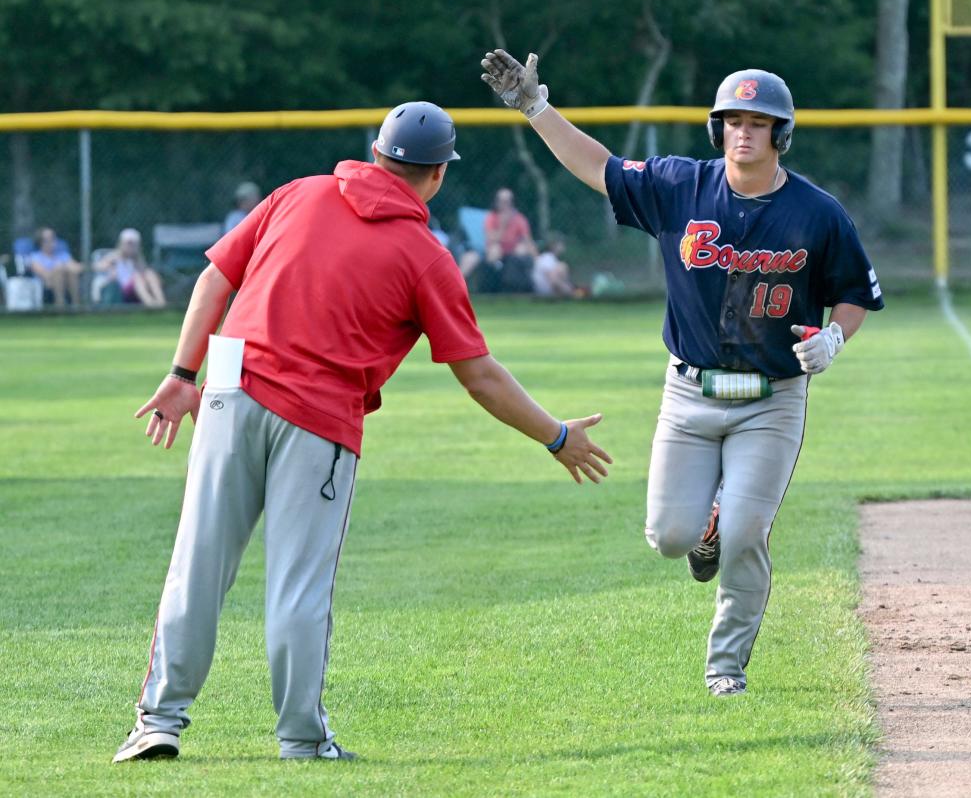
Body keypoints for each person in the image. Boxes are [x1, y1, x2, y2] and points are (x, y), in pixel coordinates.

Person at [112, 101, 611, 764]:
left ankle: (157, 722)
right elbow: (479, 376)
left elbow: (215, 277)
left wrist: (182, 373)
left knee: (197, 565)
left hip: (228, 393)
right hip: (317, 419)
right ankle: (300, 740)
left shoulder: (297, 194)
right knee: (297, 585)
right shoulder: (424, 257)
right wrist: (554, 436)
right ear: (436, 177)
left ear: (374, 153)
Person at [482, 51, 882, 697]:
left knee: (749, 532)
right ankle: (705, 528)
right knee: (668, 537)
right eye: (732, 121)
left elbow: (853, 291)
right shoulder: (679, 186)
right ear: (715, 128)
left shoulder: (818, 212)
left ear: (781, 133)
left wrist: (835, 335)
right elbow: (599, 167)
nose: (743, 133)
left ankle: (725, 666)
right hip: (688, 394)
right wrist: (535, 109)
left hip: (771, 400)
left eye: (758, 122)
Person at [475, 187, 538, 293]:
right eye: (502, 201)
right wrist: (503, 225)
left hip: (512, 250)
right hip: (496, 249)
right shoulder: (491, 217)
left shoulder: (519, 218)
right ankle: (491, 288)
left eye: (507, 201)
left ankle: (517, 287)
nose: (504, 205)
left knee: (521, 249)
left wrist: (536, 257)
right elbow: (491, 238)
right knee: (495, 250)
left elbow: (527, 239)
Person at [95, 228, 167, 308]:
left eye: (133, 244)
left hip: (139, 289)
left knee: (150, 273)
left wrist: (137, 260)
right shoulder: (114, 257)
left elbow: (144, 273)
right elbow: (99, 266)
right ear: (121, 244)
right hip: (122, 290)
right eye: (128, 244)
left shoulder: (138, 259)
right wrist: (109, 269)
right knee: (137, 278)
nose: (130, 247)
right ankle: (150, 304)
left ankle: (161, 303)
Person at [27, 227, 83, 308]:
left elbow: (76, 268)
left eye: (53, 238)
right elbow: (44, 274)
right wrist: (60, 268)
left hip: (67, 280)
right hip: (47, 282)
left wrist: (96, 265)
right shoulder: (35, 257)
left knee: (71, 272)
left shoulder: (63, 255)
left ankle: (76, 305)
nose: (53, 241)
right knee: (59, 271)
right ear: (41, 242)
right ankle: (60, 305)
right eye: (49, 239)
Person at [531, 231, 574, 298]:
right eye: (561, 244)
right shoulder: (547, 258)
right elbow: (553, 280)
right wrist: (568, 290)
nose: (563, 246)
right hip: (544, 291)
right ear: (554, 245)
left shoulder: (548, 258)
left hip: (542, 289)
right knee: (563, 266)